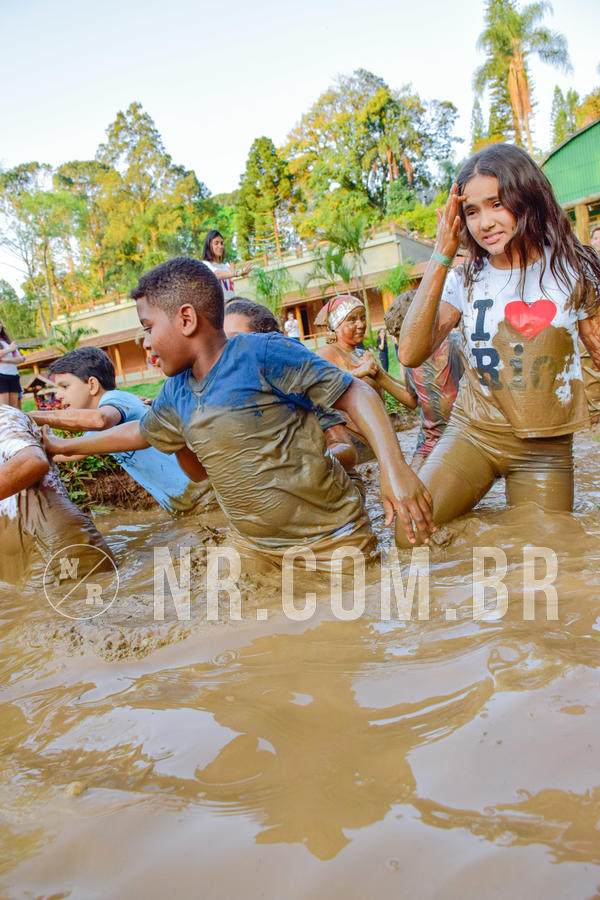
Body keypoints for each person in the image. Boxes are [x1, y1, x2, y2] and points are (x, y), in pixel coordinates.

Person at [43, 258, 435, 563]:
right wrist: (64, 446)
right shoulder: (175, 391)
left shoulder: (262, 353)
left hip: (331, 540)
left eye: (148, 327)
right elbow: (139, 432)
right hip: (255, 548)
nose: (145, 342)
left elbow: (356, 392)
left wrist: (393, 467)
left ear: (186, 319)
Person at [396, 143, 600, 548]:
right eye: (471, 211)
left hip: (544, 445)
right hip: (473, 433)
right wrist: (441, 254)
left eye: (496, 204)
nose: (484, 223)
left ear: (526, 198)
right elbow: (410, 353)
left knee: (547, 553)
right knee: (409, 534)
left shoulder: (572, 271)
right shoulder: (465, 279)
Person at [30, 347, 213, 517]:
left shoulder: (117, 398)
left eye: (65, 386)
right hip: (186, 506)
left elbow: (99, 420)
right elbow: (68, 453)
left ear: (92, 384)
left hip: (205, 494)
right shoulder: (99, 430)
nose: (58, 395)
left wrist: (33, 417)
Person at [224, 298, 358, 472]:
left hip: (315, 479)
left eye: (235, 341)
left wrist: (298, 464)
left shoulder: (300, 385)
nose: (226, 350)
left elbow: (346, 450)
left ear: (269, 344)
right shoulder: (219, 399)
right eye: (222, 341)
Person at [0, 405, 114, 584]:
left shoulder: (3, 416)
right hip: (18, 545)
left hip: (53, 542)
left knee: (83, 597)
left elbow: (32, 461)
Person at [316, 295, 417, 461]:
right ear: (336, 325)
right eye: (352, 320)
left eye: (363, 318)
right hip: (351, 439)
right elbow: (320, 386)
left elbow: (409, 396)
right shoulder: (327, 353)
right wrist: (359, 372)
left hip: (378, 440)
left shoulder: (362, 354)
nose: (361, 324)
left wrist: (378, 373)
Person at [385, 289, 463, 471]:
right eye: (395, 337)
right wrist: (380, 375)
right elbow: (413, 400)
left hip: (463, 434)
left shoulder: (456, 346)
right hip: (430, 439)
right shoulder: (410, 361)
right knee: (413, 481)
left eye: (400, 336)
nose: (397, 343)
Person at [201, 230, 252, 302]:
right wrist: (237, 273)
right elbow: (216, 274)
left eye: (221, 243)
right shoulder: (205, 264)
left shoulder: (225, 267)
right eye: (216, 243)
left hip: (230, 305)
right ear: (209, 246)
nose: (220, 246)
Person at [0, 321, 24, 408]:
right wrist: (9, 349)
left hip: (13, 375)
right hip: (1, 376)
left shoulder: (8, 342)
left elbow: (21, 358)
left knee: (13, 409)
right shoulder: (10, 346)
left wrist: (7, 360)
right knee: (4, 409)